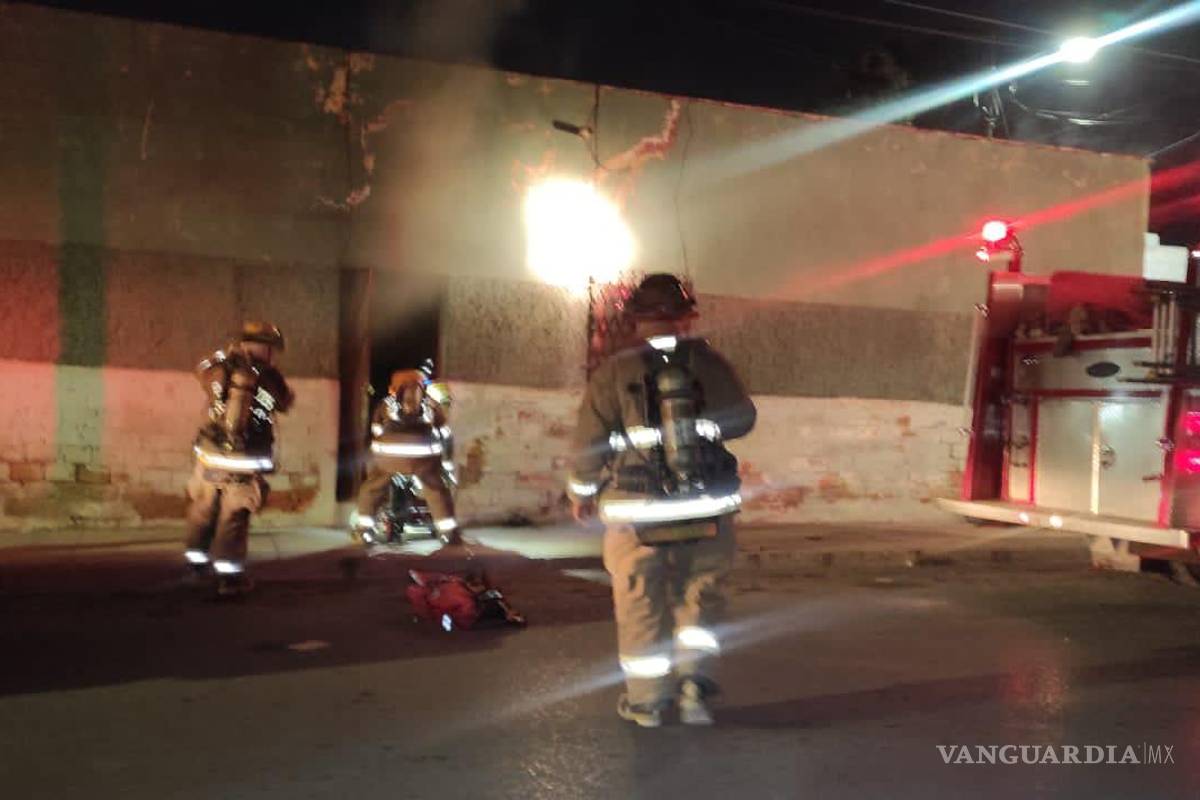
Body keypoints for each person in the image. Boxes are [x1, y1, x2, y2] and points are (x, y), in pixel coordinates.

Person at [567, 273, 756, 727]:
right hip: (707, 505)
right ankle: (695, 689)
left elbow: (588, 443)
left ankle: (648, 702)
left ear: (635, 321)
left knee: (640, 600)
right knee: (702, 595)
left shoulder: (615, 371)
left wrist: (582, 493)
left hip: (639, 510)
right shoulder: (710, 363)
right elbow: (743, 420)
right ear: (687, 317)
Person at [184, 322, 294, 597]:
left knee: (203, 511)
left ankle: (197, 564)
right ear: (266, 348)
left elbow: (201, 372)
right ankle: (229, 579)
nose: (274, 356)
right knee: (233, 518)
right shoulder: (268, 376)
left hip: (209, 458)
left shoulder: (220, 366)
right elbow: (285, 402)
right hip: (243, 462)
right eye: (273, 350)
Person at [353, 367, 461, 545]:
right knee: (436, 491)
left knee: (371, 489)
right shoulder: (431, 404)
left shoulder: (386, 404)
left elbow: (376, 430)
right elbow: (444, 432)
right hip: (423, 460)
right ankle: (448, 534)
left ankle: (364, 532)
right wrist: (447, 466)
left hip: (388, 460)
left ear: (394, 387)